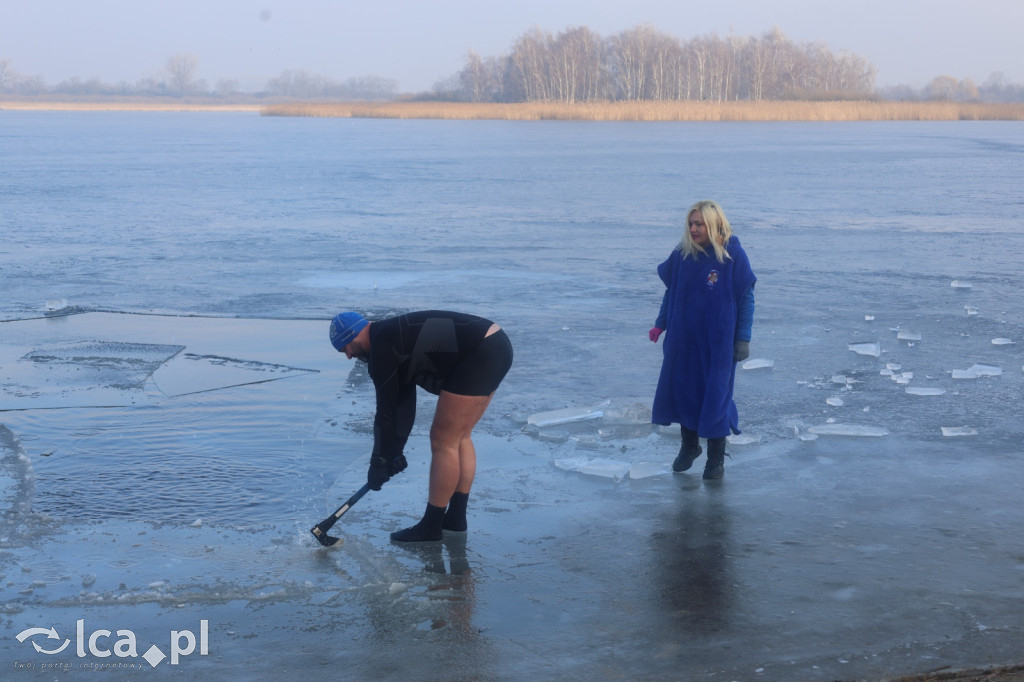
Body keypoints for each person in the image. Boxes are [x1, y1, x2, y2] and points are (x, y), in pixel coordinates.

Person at [329, 310, 513, 542]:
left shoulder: (382, 347)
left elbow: (386, 413)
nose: (347, 355)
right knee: (460, 436)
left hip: (480, 352)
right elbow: (402, 405)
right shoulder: (389, 336)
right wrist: (392, 453)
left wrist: (379, 462)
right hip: (495, 344)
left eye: (344, 348)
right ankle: (455, 519)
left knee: (443, 440)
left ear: (352, 335)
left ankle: (431, 525)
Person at [649, 200, 756, 480]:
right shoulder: (683, 254)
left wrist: (742, 338)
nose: (693, 229)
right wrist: (660, 324)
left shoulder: (732, 254)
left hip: (718, 342)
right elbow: (670, 293)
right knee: (685, 392)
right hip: (683, 339)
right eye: (691, 223)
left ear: (713, 224)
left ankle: (716, 459)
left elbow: (746, 297)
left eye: (699, 224)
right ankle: (689, 446)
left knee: (716, 395)